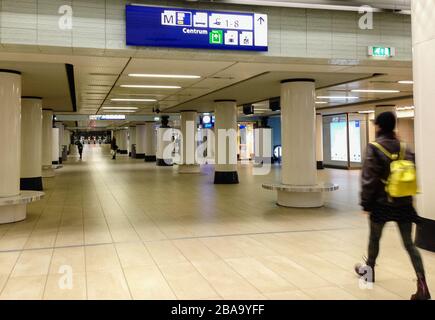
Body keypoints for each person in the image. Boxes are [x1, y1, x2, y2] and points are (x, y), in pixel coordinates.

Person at [355, 111, 431, 300]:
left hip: (381, 204)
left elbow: (369, 178)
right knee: (409, 245)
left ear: (379, 126)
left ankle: (369, 272)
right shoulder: (406, 147)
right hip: (404, 203)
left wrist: (366, 203)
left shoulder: (374, 147)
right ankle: (422, 285)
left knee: (374, 239)